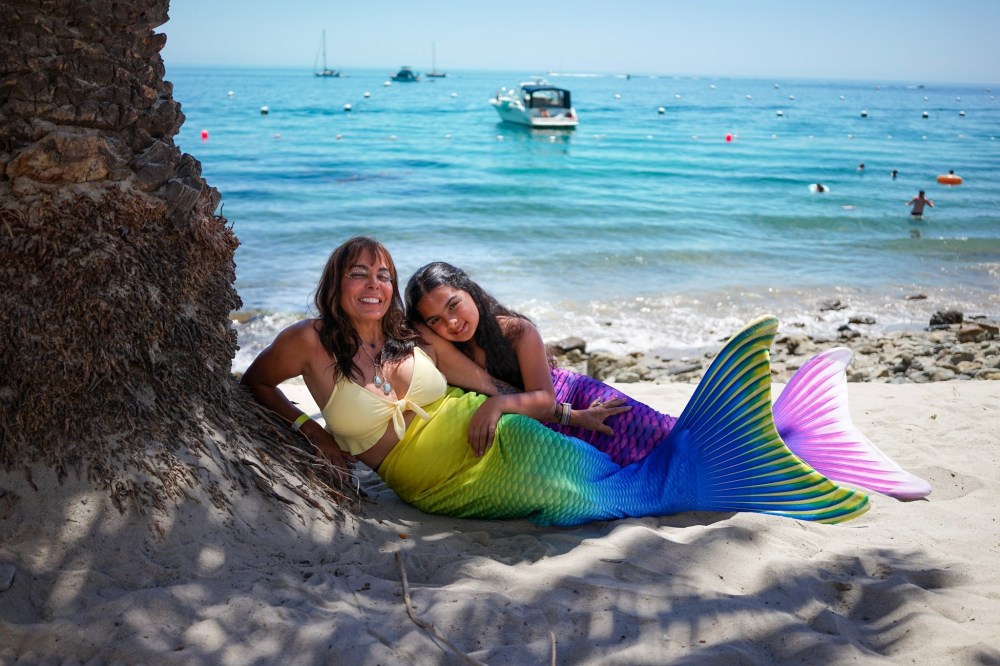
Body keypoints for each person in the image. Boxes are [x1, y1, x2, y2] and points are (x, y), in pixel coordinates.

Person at [243, 237, 871, 527]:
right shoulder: (306, 342)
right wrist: (313, 431)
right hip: (423, 478)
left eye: (384, 274)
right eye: (360, 274)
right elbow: (254, 384)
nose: (375, 285)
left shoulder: (416, 335)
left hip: (510, 421)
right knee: (594, 482)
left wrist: (561, 416)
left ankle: (759, 448)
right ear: (336, 283)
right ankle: (741, 458)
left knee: (636, 452)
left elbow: (486, 390)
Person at [405, 262, 932, 500]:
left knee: (678, 441)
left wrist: (498, 407)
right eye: (436, 319)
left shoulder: (516, 330)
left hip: (584, 407)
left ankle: (804, 442)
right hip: (561, 425)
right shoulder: (447, 346)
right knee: (668, 459)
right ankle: (783, 434)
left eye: (454, 304)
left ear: (469, 292)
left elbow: (543, 397)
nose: (451, 321)